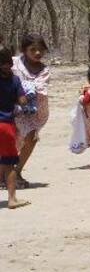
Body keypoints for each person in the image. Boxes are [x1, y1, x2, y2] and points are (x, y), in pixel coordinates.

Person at [12, 34, 50, 189]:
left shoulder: (44, 70)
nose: (37, 53)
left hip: (33, 111)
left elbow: (38, 88)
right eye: (32, 50)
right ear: (24, 50)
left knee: (31, 139)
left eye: (40, 50)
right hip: (12, 108)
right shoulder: (14, 63)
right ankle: (7, 174)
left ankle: (16, 171)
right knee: (12, 139)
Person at [1, 47, 30, 208]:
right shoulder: (14, 80)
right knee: (9, 163)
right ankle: (12, 199)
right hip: (5, 126)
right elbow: (23, 101)